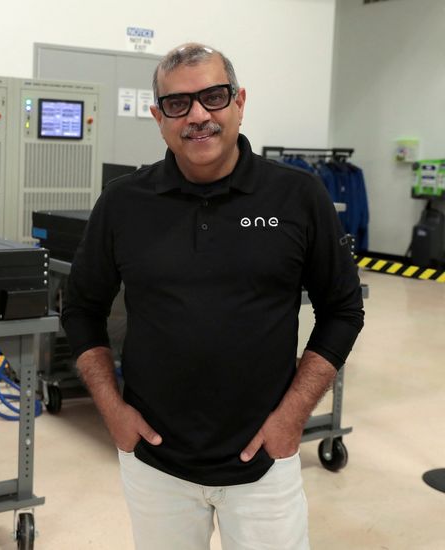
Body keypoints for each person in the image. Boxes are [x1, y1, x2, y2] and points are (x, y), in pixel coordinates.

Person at [61, 43, 365, 549]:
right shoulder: (124, 202)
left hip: (265, 460)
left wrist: (291, 419)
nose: (198, 115)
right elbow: (81, 309)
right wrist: (113, 411)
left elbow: (343, 310)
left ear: (239, 102)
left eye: (214, 97)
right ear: (159, 118)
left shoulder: (297, 196)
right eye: (178, 104)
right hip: (155, 464)